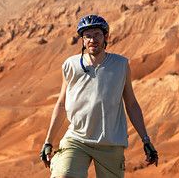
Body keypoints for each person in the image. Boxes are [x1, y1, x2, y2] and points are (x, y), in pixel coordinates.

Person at [40, 15, 158, 178]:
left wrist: (146, 140)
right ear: (82, 39)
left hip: (110, 143)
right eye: (88, 35)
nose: (92, 40)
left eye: (97, 35)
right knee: (62, 176)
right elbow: (61, 104)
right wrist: (48, 141)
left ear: (106, 37)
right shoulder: (71, 65)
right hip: (77, 139)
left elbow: (131, 104)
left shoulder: (121, 64)